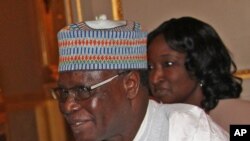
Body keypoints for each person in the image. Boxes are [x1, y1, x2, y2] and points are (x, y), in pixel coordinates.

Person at [52, 18, 229, 141]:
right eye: (63, 93)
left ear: (130, 85)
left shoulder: (189, 134)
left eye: (83, 90)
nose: (68, 106)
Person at [147, 16, 244, 131]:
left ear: (200, 64)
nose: (154, 78)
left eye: (168, 64)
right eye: (150, 67)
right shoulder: (155, 122)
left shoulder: (238, 118)